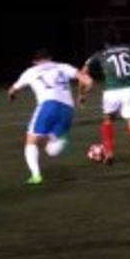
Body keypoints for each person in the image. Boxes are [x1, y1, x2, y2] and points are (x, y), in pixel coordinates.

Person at [8, 49, 89, 185]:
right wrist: (82, 96)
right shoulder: (63, 66)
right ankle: (60, 139)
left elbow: (12, 89)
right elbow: (88, 80)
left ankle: (36, 176)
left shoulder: (30, 72)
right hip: (68, 109)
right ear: (50, 58)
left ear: (35, 61)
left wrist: (12, 96)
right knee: (50, 148)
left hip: (48, 105)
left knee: (31, 141)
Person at [83, 27, 130, 166]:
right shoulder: (129, 49)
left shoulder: (100, 53)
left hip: (111, 91)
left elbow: (84, 71)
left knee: (107, 120)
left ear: (105, 42)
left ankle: (109, 152)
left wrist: (82, 93)